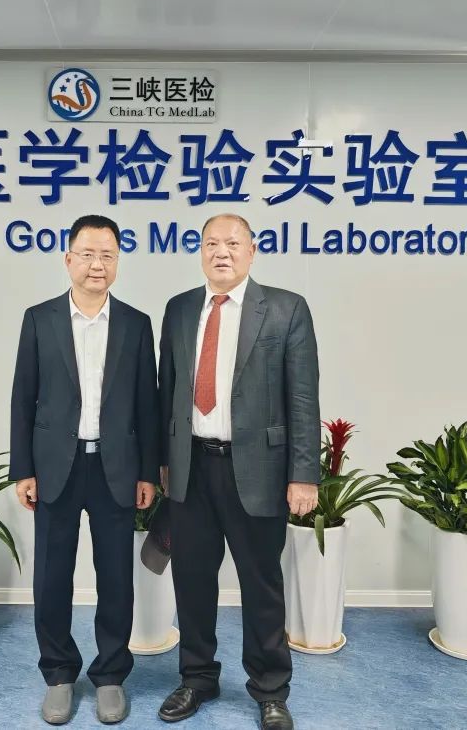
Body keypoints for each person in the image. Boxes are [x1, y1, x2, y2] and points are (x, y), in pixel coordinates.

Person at [156, 214, 320, 730]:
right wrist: (163, 461)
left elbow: (303, 398)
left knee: (261, 583)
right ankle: (197, 678)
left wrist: (304, 474)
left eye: (232, 243)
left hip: (259, 471)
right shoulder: (180, 309)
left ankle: (270, 690)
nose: (221, 252)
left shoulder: (287, 309)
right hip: (191, 469)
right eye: (211, 243)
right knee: (191, 581)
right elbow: (167, 392)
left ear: (252, 251)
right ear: (201, 252)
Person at [10, 214, 160, 725]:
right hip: (56, 467)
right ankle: (58, 673)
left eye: (108, 255)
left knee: (116, 578)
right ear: (68, 258)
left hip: (116, 469)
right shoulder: (40, 319)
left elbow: (148, 405)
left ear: (117, 262)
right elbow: (23, 398)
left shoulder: (136, 324)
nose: (98, 264)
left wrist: (147, 473)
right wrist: (23, 469)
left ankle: (111, 674)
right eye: (89, 254)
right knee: (52, 576)